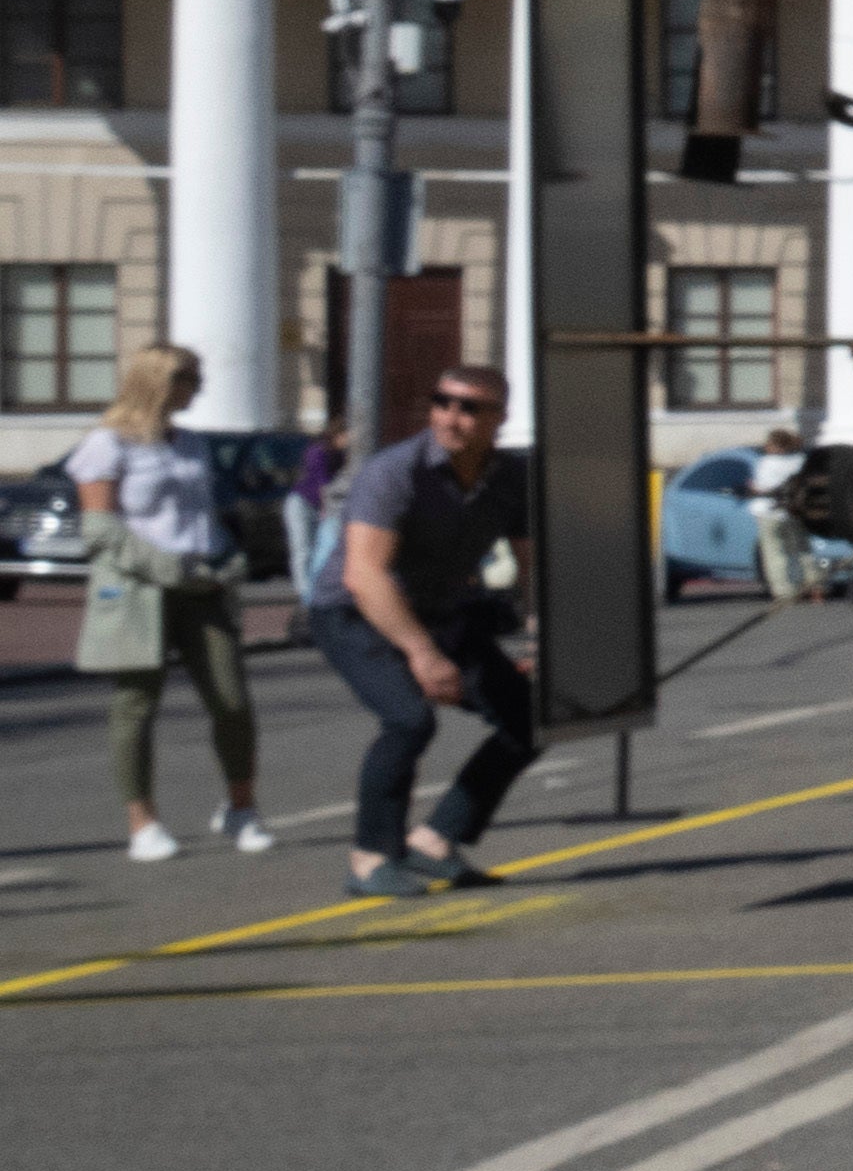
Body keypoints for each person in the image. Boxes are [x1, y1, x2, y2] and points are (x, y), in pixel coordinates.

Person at [313, 360, 541, 898]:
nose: (451, 417)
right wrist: (423, 654)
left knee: (531, 719)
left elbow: (533, 569)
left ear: (499, 419)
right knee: (409, 721)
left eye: (469, 408)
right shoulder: (394, 472)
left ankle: (437, 840)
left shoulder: (510, 479)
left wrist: (540, 637)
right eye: (443, 402)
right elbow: (365, 575)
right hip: (356, 612)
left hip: (440, 611)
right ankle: (371, 857)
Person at [60, 342, 273, 861]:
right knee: (136, 705)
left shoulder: (191, 443)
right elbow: (100, 530)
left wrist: (225, 558)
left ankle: (240, 808)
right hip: (139, 591)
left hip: (204, 589)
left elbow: (202, 516)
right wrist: (167, 568)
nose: (197, 389)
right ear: (159, 381)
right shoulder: (107, 444)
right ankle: (143, 822)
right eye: (189, 379)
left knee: (232, 703)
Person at [743, 424, 818, 604]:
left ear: (773, 445)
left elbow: (763, 488)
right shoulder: (800, 460)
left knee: (775, 554)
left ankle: (785, 592)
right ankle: (816, 587)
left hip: (770, 513)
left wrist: (752, 487)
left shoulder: (767, 463)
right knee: (802, 550)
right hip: (795, 512)